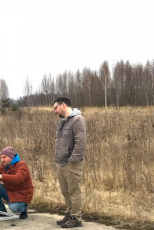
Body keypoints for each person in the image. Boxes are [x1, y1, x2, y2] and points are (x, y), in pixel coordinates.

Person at [53, 97, 86, 228]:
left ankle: (76, 218)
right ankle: (69, 213)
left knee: (74, 192)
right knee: (66, 192)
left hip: (72, 164)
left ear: (63, 105)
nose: (55, 111)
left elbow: (81, 142)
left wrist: (73, 160)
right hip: (61, 163)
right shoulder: (62, 122)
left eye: (55, 107)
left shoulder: (78, 120)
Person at [0, 146, 34, 219]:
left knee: (15, 208)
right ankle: (1, 211)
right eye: (1, 157)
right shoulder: (3, 166)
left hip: (21, 193)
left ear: (11, 157)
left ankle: (24, 208)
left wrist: (1, 177)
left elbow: (19, 179)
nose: (2, 160)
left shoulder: (22, 165)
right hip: (10, 192)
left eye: (4, 157)